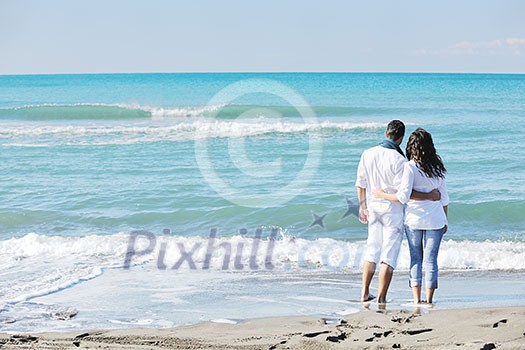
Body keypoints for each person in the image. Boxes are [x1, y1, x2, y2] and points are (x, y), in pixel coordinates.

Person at [355, 120, 439, 304]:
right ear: (401, 138)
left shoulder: (367, 154)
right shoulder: (400, 160)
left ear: (386, 134)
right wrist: (430, 196)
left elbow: (360, 184)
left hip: (373, 209)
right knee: (389, 253)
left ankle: (364, 293)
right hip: (392, 211)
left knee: (372, 249)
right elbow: (406, 194)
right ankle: (381, 297)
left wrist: (363, 206)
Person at [374, 128, 449, 304]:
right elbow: (444, 198)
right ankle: (429, 300)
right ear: (430, 146)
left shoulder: (410, 167)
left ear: (411, 147)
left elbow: (403, 196)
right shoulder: (438, 168)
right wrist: (445, 219)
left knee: (416, 258)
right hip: (436, 219)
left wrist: (381, 194)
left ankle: (416, 299)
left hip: (414, 220)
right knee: (431, 260)